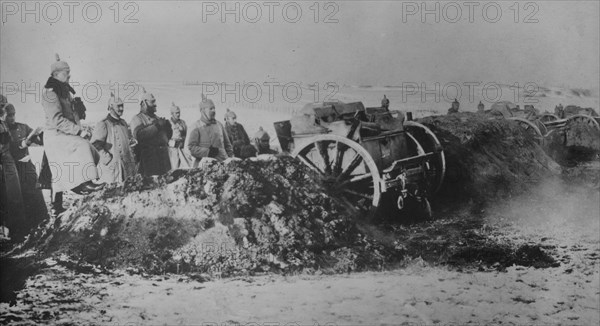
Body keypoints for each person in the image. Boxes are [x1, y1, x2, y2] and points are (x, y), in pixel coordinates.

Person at [41, 54, 103, 198]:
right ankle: (83, 182)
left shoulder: (65, 91)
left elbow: (72, 115)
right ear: (56, 74)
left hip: (65, 133)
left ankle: (81, 183)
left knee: (91, 149)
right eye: (66, 72)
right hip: (55, 135)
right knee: (82, 146)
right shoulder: (50, 94)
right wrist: (78, 132)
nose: (69, 75)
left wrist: (79, 116)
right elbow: (57, 119)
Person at [4, 103, 49, 235]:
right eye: (9, 115)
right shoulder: (3, 130)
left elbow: (37, 139)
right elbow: (10, 147)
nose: (12, 118)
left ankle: (41, 226)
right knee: (20, 201)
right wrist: (25, 142)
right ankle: (22, 232)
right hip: (14, 170)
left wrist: (40, 135)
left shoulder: (23, 127)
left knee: (36, 196)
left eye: (13, 114)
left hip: (28, 168)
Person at [91, 93, 137, 184]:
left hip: (126, 168)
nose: (121, 109)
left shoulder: (123, 123)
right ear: (111, 107)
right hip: (112, 171)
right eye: (118, 106)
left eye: (122, 106)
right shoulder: (103, 124)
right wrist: (108, 159)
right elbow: (95, 145)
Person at [129, 88, 172, 176]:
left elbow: (166, 138)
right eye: (152, 102)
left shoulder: (157, 118)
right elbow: (140, 135)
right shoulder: (137, 119)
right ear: (144, 103)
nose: (155, 105)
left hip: (163, 158)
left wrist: (168, 129)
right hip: (149, 159)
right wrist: (157, 126)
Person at [1, 99, 24, 241]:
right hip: (5, 159)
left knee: (14, 196)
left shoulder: (5, 126)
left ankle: (16, 231)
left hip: (7, 159)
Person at [188, 95, 233, 165]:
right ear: (202, 111)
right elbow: (191, 148)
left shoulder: (219, 125)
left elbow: (228, 145)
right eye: (211, 109)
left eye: (214, 108)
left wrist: (231, 159)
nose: (214, 111)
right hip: (204, 165)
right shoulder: (195, 127)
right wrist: (208, 152)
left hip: (223, 163)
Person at [167, 102, 190, 169]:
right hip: (172, 150)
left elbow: (186, 135)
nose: (178, 114)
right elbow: (165, 138)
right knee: (174, 168)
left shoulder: (183, 122)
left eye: (179, 112)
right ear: (172, 113)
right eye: (176, 113)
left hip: (182, 148)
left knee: (186, 167)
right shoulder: (168, 123)